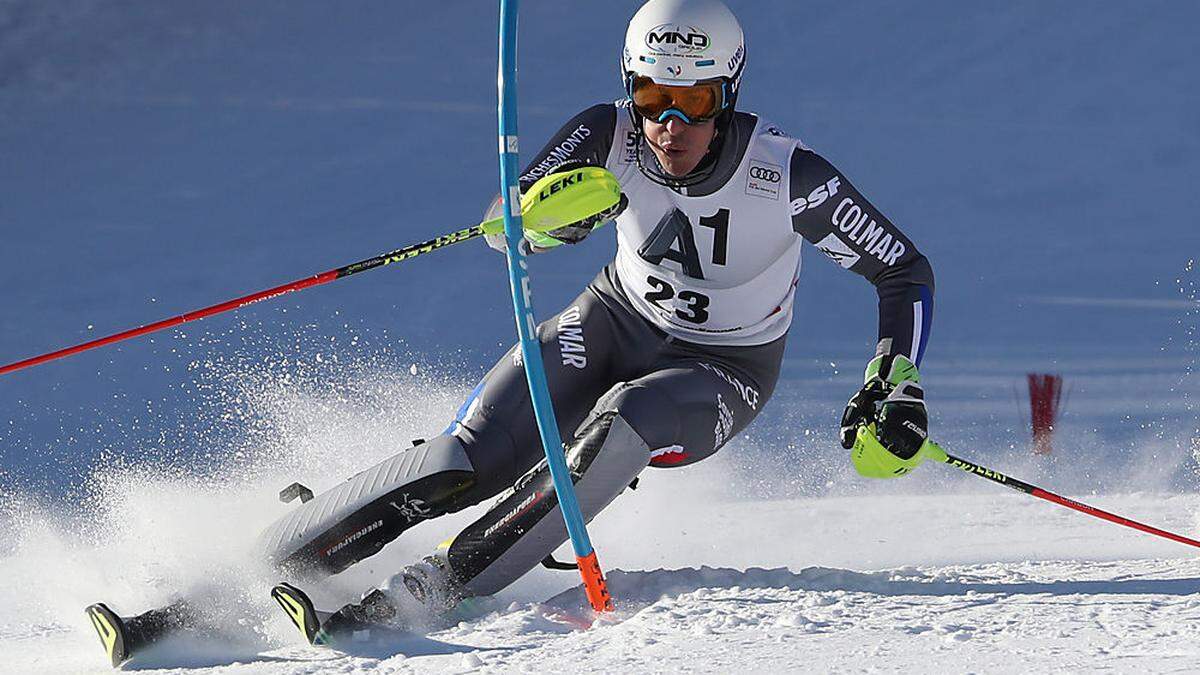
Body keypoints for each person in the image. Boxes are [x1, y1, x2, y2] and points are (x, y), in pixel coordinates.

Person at [89, 0, 936, 661]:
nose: (669, 124)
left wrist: (895, 379)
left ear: (729, 95)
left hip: (722, 370)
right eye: (652, 96)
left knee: (627, 418)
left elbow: (903, 270)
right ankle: (248, 568)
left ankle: (443, 579)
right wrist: (539, 222)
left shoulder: (789, 176)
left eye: (693, 100)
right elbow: (505, 217)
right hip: (610, 319)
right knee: (468, 458)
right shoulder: (606, 131)